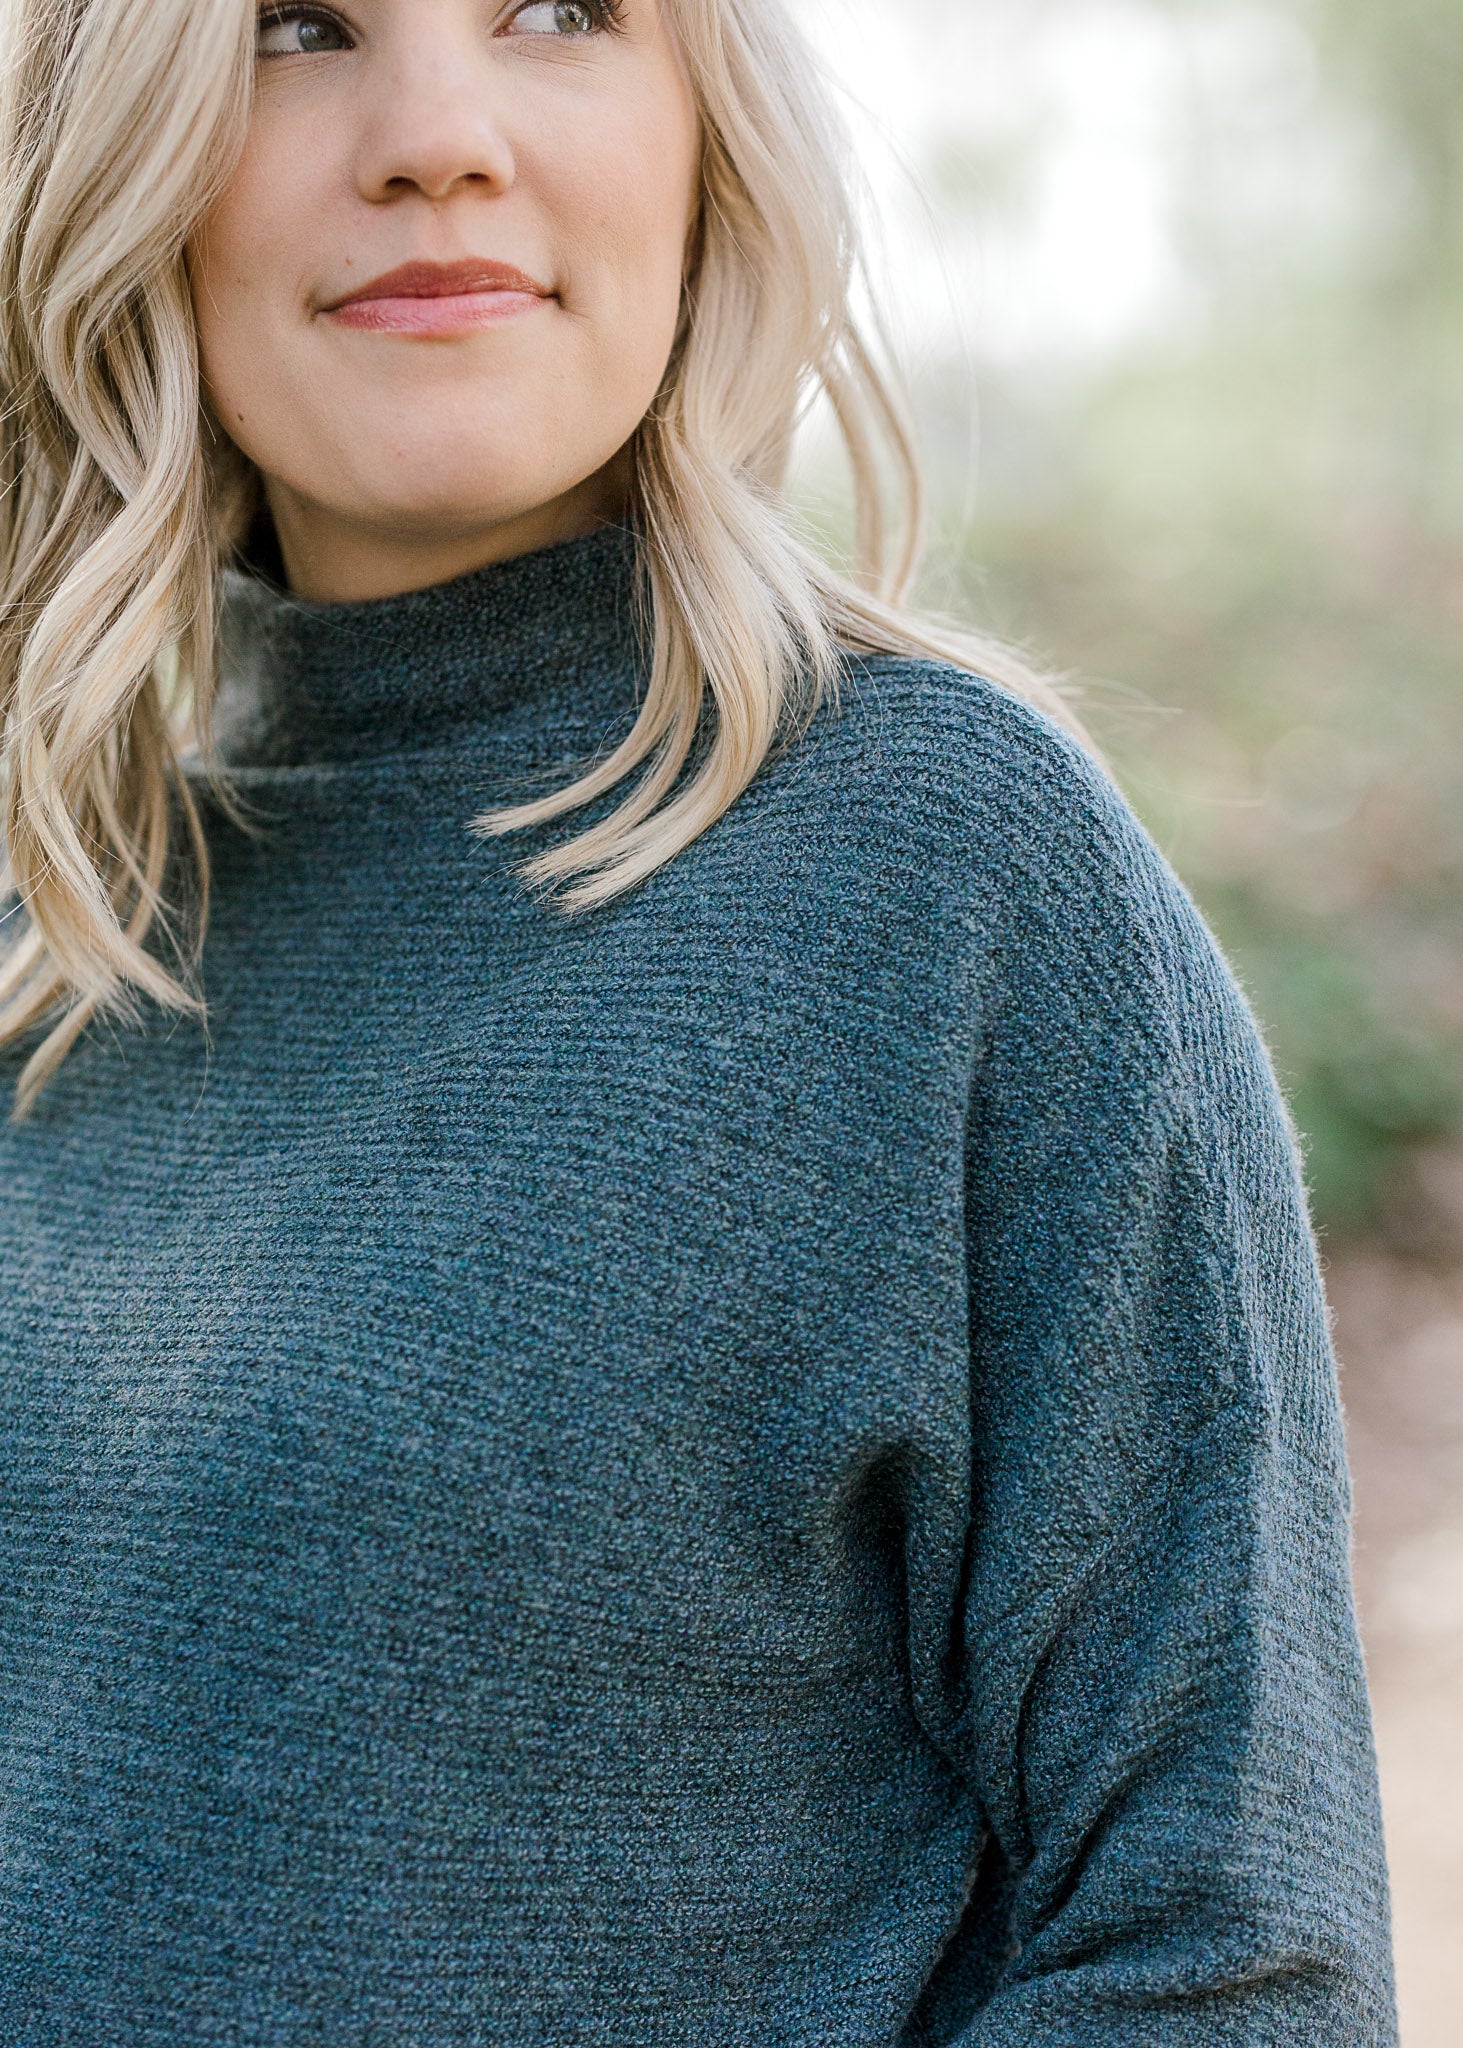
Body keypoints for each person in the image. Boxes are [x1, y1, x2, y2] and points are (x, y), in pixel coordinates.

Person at [0, 0, 1397, 2040]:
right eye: (301, 25)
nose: (435, 136)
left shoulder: (958, 889)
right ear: (125, 149)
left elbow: (1234, 1959)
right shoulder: (65, 915)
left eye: (556, 11)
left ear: (704, 140)